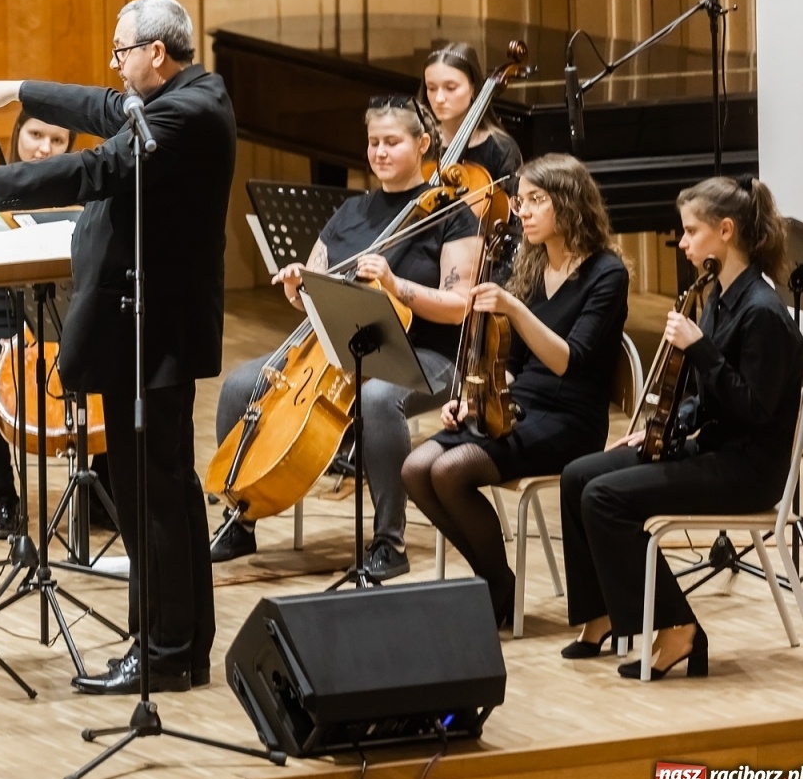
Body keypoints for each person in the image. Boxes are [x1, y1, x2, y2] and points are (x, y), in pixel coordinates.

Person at [0, 0, 234, 695]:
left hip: (149, 332)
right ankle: (180, 647)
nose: (114, 65)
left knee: (151, 495)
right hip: (142, 328)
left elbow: (97, 169)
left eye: (122, 51)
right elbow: (104, 109)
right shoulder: (183, 93)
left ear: (157, 52)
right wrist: (24, 92)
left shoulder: (188, 111)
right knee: (162, 492)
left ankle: (162, 650)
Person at [209, 98, 481, 571]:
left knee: (378, 399)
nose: (379, 152)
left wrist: (397, 286)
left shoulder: (450, 215)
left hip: (427, 356)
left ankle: (389, 543)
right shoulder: (351, 210)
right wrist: (299, 286)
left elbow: (460, 307)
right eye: (373, 142)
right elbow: (318, 291)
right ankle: (242, 518)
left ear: (422, 144)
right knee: (239, 385)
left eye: (392, 142)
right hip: (339, 349)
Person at [561, 175, 803, 680]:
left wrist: (701, 348)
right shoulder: (718, 294)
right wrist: (662, 429)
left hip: (746, 470)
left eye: (692, 231)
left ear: (725, 230)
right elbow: (702, 396)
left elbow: (753, 408)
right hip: (710, 450)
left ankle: (678, 627)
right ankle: (605, 613)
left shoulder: (763, 312)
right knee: (578, 476)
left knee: (604, 499)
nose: (685, 242)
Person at [402, 154, 628, 624]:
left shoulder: (607, 273)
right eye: (520, 201)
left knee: (451, 471)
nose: (521, 211)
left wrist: (513, 308)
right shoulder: (529, 264)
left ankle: (497, 589)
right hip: (519, 405)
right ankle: (494, 579)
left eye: (535, 201)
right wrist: (473, 399)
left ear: (567, 204)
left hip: (571, 420)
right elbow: (514, 364)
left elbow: (569, 361)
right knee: (416, 467)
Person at [0, 110, 83, 539]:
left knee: (107, 370)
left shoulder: (82, 198)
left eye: (57, 140)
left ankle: (101, 494)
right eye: (35, 135)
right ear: (16, 134)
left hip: (61, 328)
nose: (44, 148)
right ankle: (1, 494)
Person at [417, 42, 523, 185]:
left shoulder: (500, 150)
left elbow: (516, 205)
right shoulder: (418, 141)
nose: (439, 98)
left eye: (450, 88)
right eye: (432, 88)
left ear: (473, 88)